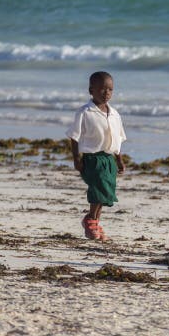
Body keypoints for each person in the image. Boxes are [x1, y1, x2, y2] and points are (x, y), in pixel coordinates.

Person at [66, 71, 127, 241]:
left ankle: (95, 221)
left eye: (110, 89)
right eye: (102, 89)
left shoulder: (115, 114)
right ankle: (91, 220)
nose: (106, 93)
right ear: (91, 90)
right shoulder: (84, 112)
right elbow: (74, 136)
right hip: (92, 158)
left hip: (109, 159)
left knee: (106, 192)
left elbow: (118, 139)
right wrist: (77, 158)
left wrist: (120, 160)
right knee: (98, 188)